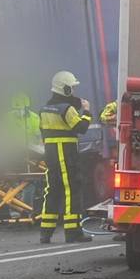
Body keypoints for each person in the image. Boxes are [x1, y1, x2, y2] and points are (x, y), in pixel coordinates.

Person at [38, 71, 94, 243]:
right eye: (72, 88)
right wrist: (86, 111)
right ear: (65, 89)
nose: (74, 91)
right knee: (72, 188)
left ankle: (46, 232)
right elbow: (81, 127)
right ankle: (73, 232)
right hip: (65, 151)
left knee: (52, 189)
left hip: (51, 152)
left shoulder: (45, 108)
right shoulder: (67, 109)